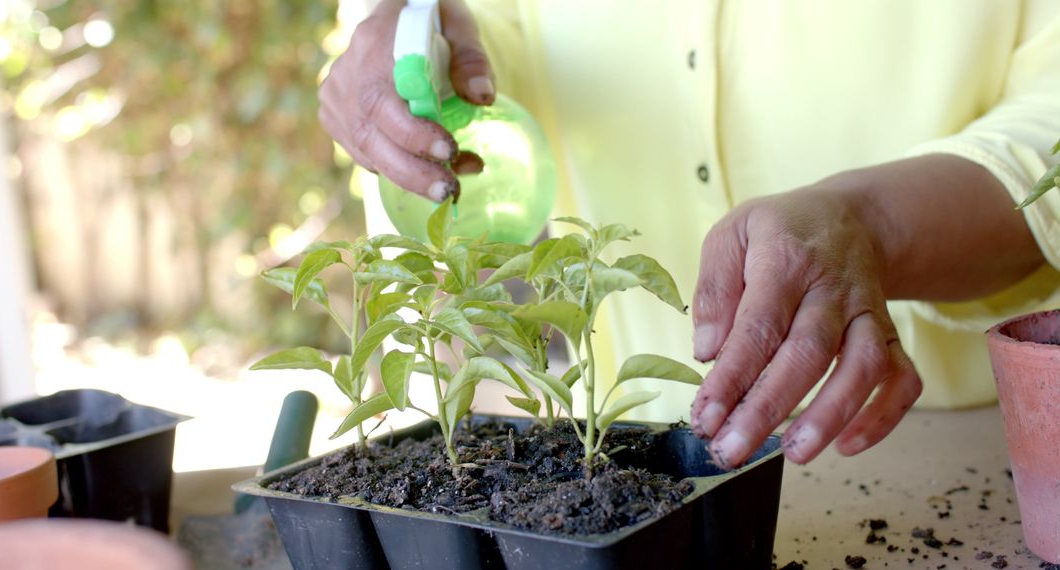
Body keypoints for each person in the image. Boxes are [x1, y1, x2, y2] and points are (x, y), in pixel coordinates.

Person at [318, 0, 1060, 469]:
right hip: (636, 460)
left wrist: (874, 225)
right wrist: (410, 28)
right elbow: (476, 24)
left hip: (968, 459)